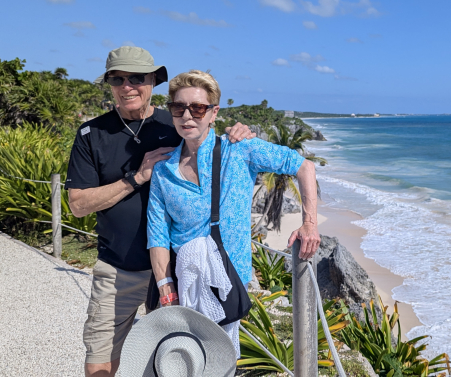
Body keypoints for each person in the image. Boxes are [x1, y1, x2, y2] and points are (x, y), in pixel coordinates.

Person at [66, 47, 254, 377]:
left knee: (178, 362)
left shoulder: (178, 122)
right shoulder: (91, 134)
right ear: (109, 84)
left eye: (136, 78)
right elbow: (78, 205)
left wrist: (242, 134)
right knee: (100, 362)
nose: (127, 86)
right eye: (117, 79)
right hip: (118, 270)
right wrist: (136, 178)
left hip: (181, 271)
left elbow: (220, 151)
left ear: (153, 81)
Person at [146, 70, 321, 355]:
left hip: (227, 282)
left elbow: (303, 166)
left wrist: (309, 224)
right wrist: (166, 288)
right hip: (181, 283)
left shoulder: (238, 150)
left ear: (213, 113)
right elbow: (158, 233)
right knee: (180, 361)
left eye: (197, 108)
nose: (187, 115)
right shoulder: (163, 170)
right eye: (179, 108)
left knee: (219, 360)